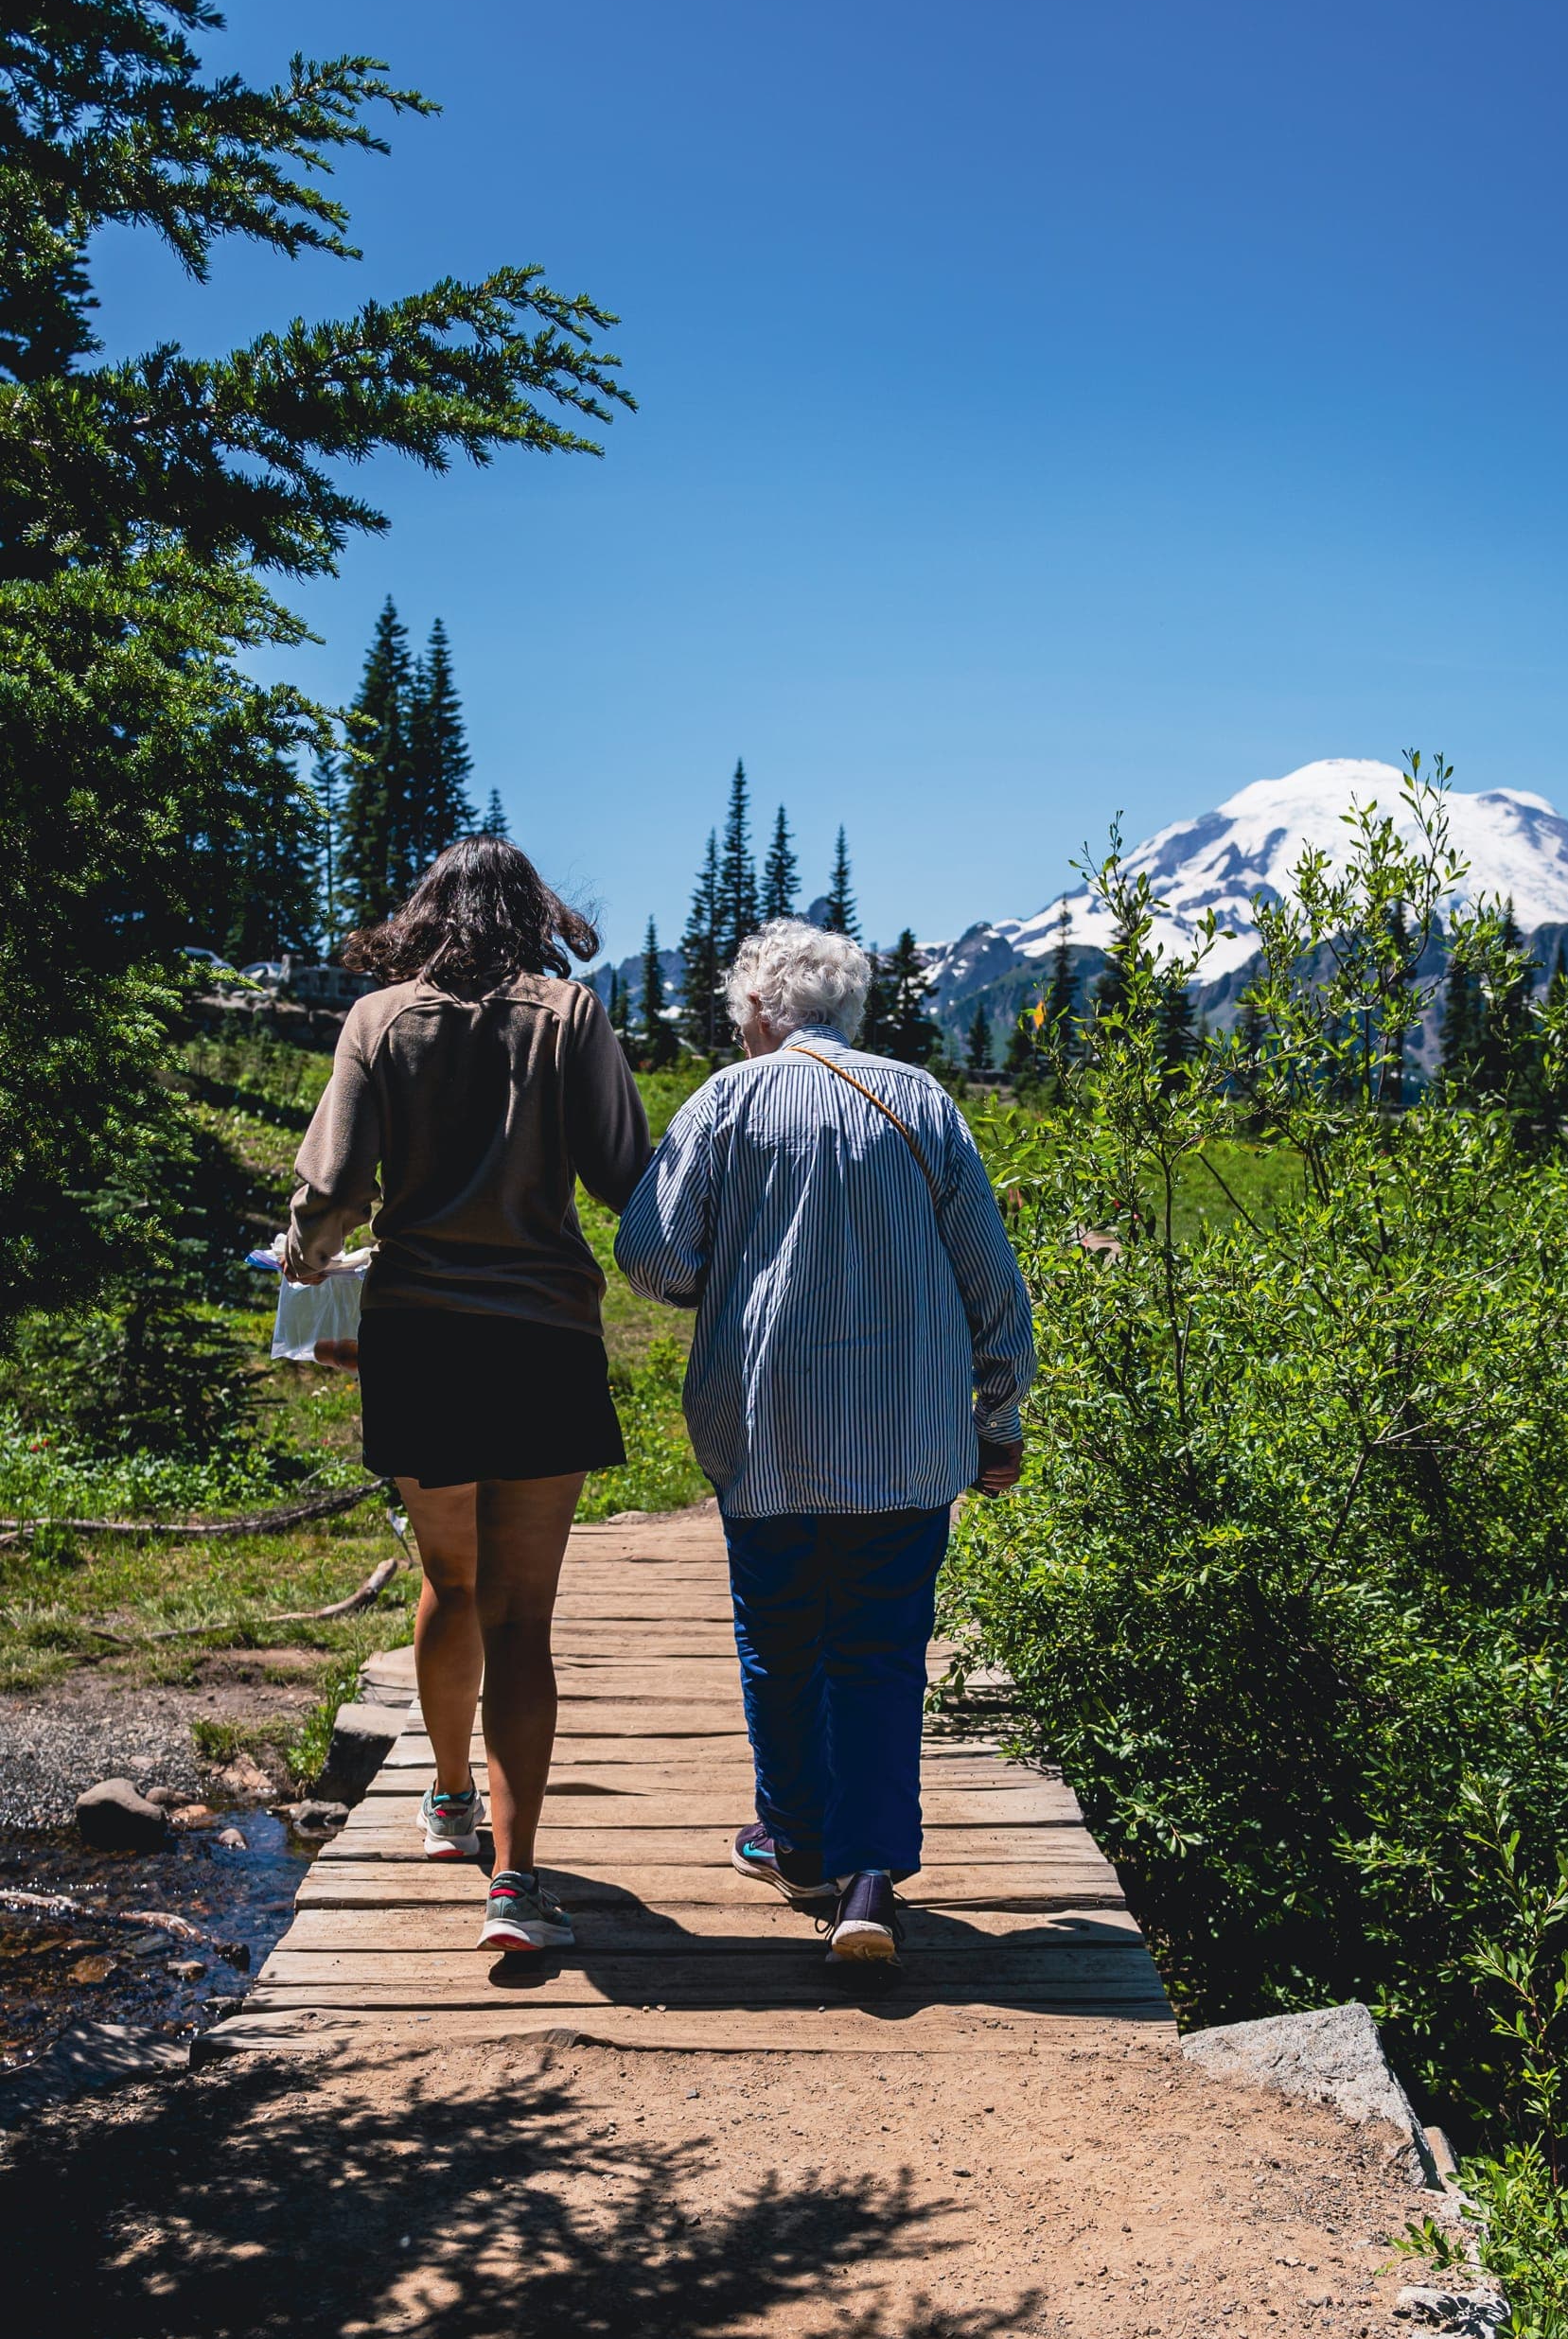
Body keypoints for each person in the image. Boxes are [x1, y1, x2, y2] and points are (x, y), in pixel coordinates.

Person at [615, 920, 1034, 1965]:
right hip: (905, 1441)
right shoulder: (923, 1101)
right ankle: (871, 1882)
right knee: (881, 1653)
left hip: (768, 1437)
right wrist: (999, 1415)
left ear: (760, 1011)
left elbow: (652, 1254)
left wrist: (737, 1289)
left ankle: (796, 1844)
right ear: (847, 1012)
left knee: (783, 1643)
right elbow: (992, 1281)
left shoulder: (724, 1100)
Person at [285, 835, 652, 1955]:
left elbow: (338, 1186)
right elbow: (624, 1174)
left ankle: (448, 1803)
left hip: (421, 1338)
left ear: (426, 911)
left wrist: (304, 1248)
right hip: (543, 1338)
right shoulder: (570, 1016)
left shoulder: (380, 1019)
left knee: (450, 1577)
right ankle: (518, 1885)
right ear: (532, 912)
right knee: (523, 1617)